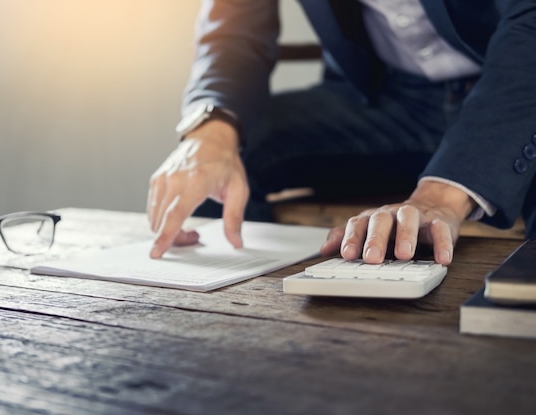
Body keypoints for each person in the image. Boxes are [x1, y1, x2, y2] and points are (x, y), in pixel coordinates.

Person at [147, 0, 536, 264]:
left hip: (512, 84)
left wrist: (441, 195)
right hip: (385, 96)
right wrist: (210, 130)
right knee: (227, 152)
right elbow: (233, 26)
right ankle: (243, 317)